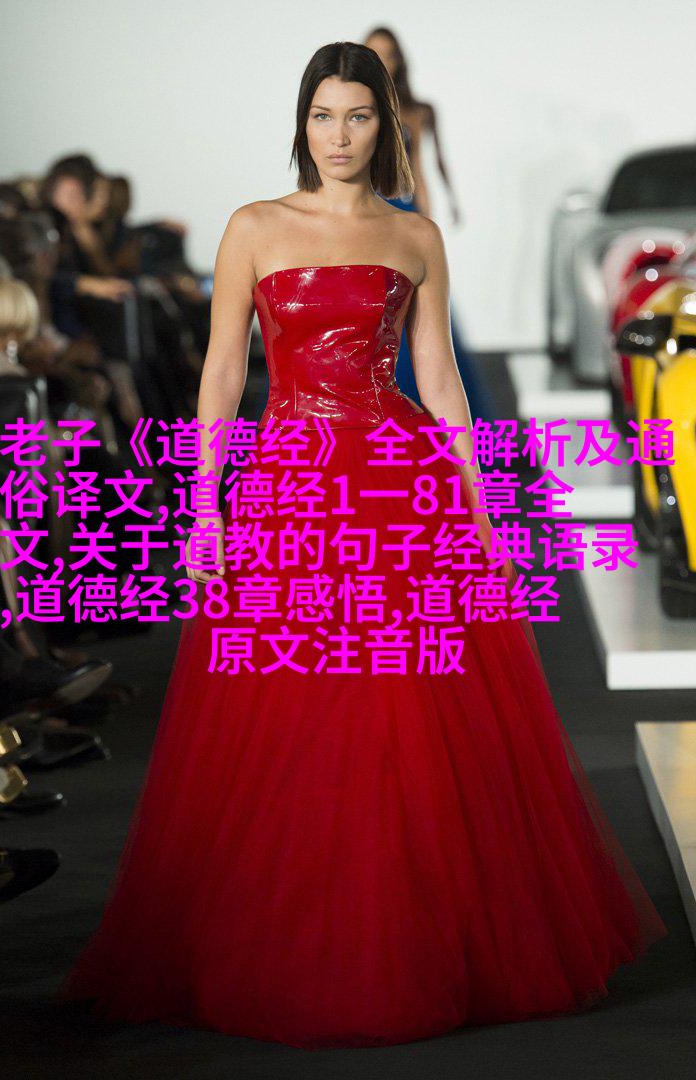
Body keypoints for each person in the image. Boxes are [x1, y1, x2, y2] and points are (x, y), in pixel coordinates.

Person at [57, 41, 666, 1050]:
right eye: (323, 116)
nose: (339, 136)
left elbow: (440, 377)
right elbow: (221, 374)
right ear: (302, 123)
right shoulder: (255, 227)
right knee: (292, 713)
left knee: (407, 716)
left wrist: (481, 505)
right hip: (289, 488)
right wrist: (203, 507)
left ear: (385, 124)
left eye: (358, 116)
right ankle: (288, 936)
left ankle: (414, 935)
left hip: (399, 484)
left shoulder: (413, 233)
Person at [364, 26, 494, 422]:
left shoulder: (416, 111)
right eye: (373, 53)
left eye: (387, 53)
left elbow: (421, 163)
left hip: (403, 208)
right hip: (367, 209)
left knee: (417, 303)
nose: (381, 61)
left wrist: (428, 217)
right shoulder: (357, 107)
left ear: (398, 59)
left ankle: (427, 406)